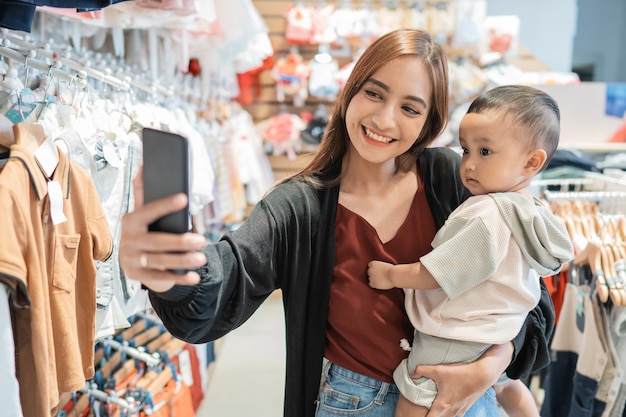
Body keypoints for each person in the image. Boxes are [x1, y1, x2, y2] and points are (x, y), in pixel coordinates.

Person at [119, 29, 557, 417]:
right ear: (349, 92)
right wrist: (169, 270)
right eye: (374, 93)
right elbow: (222, 282)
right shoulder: (299, 207)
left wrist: (491, 364)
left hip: (461, 399)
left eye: (409, 108)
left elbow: (529, 300)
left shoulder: (455, 182)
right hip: (349, 401)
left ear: (429, 123)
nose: (384, 119)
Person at [367, 85, 574, 417]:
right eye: (465, 150)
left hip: (455, 334)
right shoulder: (534, 212)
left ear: (531, 161)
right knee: (507, 384)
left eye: (485, 152)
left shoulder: (484, 212)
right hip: (500, 332)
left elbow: (438, 274)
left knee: (416, 394)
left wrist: (391, 275)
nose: (469, 165)